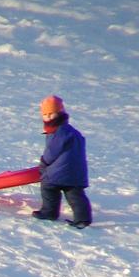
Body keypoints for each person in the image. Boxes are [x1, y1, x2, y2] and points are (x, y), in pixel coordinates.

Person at [33, 95, 92, 229]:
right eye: (45, 114)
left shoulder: (58, 131)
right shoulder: (71, 131)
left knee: (48, 187)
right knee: (75, 195)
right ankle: (83, 219)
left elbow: (52, 151)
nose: (48, 117)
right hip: (76, 172)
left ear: (59, 113)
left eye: (51, 114)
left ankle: (49, 212)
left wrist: (44, 162)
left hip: (60, 172)